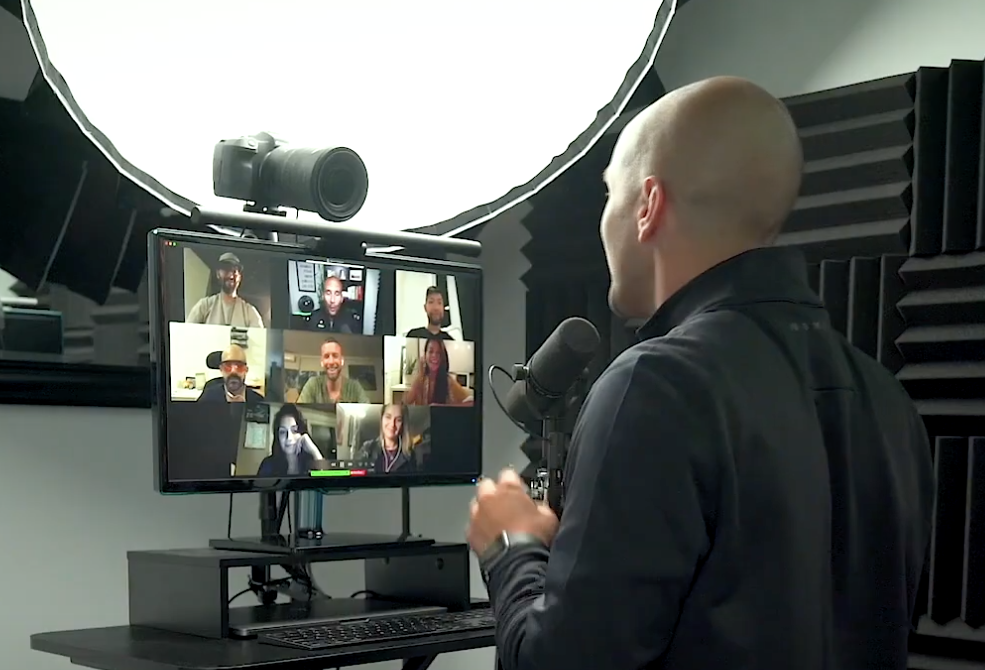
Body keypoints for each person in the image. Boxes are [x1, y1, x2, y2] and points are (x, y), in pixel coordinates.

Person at [466, 77, 936, 670]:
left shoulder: (654, 385)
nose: (603, 220)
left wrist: (512, 545)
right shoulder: (885, 397)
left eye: (610, 195)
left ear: (648, 206)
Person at [186, 252, 264, 328]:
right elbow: (186, 334)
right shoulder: (204, 306)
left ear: (239, 277)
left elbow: (260, 339)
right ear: (218, 274)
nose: (231, 276)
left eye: (234, 271)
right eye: (226, 269)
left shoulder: (249, 312)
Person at [257, 404, 324, 477]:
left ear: (302, 433)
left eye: (294, 430)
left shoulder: (311, 462)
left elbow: (327, 482)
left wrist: (315, 451)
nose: (289, 438)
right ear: (277, 437)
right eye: (282, 432)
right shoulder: (268, 464)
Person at [297, 338, 369, 404]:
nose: (331, 362)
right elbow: (299, 412)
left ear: (342, 361)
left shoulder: (355, 387)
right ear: (322, 362)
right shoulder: (312, 385)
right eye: (326, 356)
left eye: (335, 356)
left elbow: (368, 413)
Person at [403, 337, 472, 406]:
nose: (434, 356)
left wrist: (442, 407)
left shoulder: (448, 381)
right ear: (425, 355)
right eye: (431, 351)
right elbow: (406, 402)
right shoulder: (421, 379)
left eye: (438, 353)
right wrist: (420, 374)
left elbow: (471, 402)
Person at [196, 344, 264, 403]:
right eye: (228, 366)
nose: (233, 371)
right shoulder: (208, 398)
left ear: (246, 370)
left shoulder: (258, 400)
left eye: (239, 366)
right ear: (221, 369)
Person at [358, 403, 414, 473]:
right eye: (388, 417)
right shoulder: (368, 449)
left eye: (398, 420)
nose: (392, 424)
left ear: (403, 424)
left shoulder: (409, 455)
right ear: (382, 419)